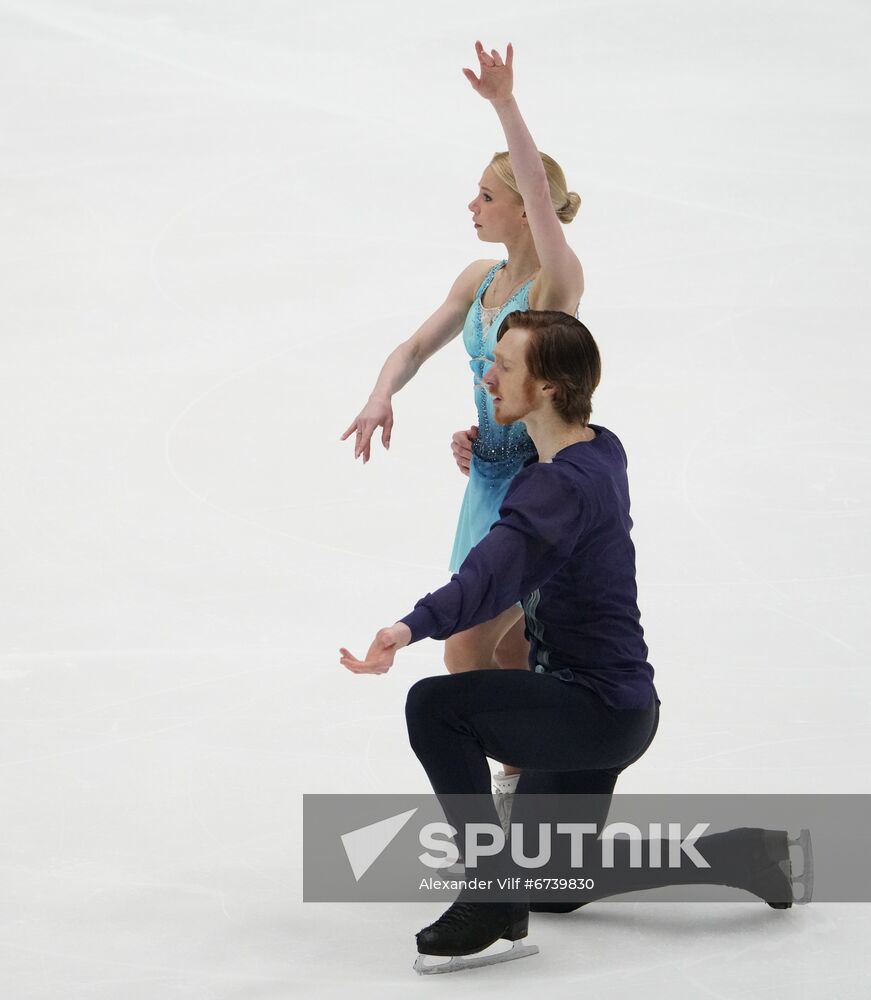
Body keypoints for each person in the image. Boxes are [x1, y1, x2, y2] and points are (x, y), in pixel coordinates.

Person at [340, 311, 806, 974]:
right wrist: (497, 449)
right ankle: (747, 855)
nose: (485, 373)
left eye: (504, 365)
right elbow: (537, 489)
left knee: (434, 708)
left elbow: (490, 575)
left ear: (551, 386)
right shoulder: (595, 448)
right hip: (616, 707)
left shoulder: (560, 487)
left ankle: (488, 897)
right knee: (553, 886)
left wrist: (405, 628)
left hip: (591, 712)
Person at [341, 42, 583, 684]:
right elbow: (416, 347)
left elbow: (534, 182)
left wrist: (505, 105)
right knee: (509, 649)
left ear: (525, 211)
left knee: (465, 649)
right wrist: (380, 395)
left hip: (538, 480)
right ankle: (522, 776)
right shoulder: (480, 278)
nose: (472, 206)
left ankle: (488, 776)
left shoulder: (557, 285)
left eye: (485, 196)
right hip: (485, 481)